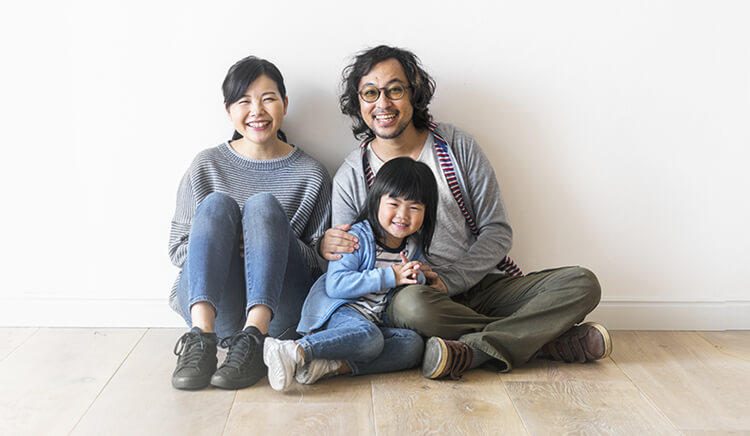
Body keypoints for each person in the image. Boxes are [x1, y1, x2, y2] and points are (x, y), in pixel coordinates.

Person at [319, 45, 611, 379]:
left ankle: (473, 351)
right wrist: (322, 244)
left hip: (484, 286)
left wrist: (451, 279)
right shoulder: (353, 175)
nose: (382, 103)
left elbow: (497, 231)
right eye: (370, 93)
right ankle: (543, 339)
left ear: (413, 92)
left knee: (582, 283)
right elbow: (346, 260)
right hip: (418, 298)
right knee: (410, 307)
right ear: (358, 102)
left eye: (394, 90)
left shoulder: (457, 146)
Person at [168, 56, 331, 390]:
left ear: (285, 104)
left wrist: (267, 242)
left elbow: (322, 264)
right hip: (216, 310)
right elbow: (177, 250)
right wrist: (228, 245)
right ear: (229, 111)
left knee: (263, 207)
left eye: (268, 99)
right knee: (215, 205)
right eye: (244, 101)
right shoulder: (207, 165)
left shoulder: (311, 174)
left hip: (279, 317)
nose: (256, 110)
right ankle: (200, 340)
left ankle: (254, 340)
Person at [263, 157, 437, 391]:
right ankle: (293, 349)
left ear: (427, 212)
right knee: (370, 338)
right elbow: (336, 285)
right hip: (338, 314)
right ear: (377, 201)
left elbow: (414, 279)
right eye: (394, 204)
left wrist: (419, 277)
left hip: (371, 322)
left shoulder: (413, 247)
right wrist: (391, 276)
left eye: (414, 207)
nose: (403, 215)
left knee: (413, 345)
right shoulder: (356, 238)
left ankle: (330, 365)